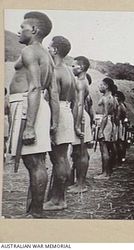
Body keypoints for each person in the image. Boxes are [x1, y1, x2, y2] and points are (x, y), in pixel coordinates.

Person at [8, 11, 59, 217]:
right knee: (36, 162)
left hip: (28, 107)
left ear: (34, 30)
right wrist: (53, 122)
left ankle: (36, 213)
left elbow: (35, 88)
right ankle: (33, 210)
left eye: (23, 27)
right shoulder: (47, 56)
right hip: (36, 107)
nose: (19, 31)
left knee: (35, 162)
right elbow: (53, 92)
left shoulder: (30, 51)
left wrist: (29, 125)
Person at [43, 36, 75, 210]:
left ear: (54, 50)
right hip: (66, 111)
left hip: (58, 113)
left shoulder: (55, 70)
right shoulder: (69, 71)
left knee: (58, 159)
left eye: (49, 47)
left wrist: (52, 122)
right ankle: (59, 197)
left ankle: (58, 200)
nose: (47, 50)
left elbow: (52, 97)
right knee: (62, 158)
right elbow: (75, 99)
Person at [68, 56, 93, 193]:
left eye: (74, 66)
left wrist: (77, 125)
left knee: (82, 151)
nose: (72, 68)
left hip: (80, 116)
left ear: (81, 67)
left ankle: (81, 184)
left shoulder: (81, 82)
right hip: (78, 115)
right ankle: (78, 182)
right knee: (77, 152)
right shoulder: (80, 81)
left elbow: (79, 104)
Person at [95, 77, 118, 179]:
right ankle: (106, 172)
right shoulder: (111, 98)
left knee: (104, 149)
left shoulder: (107, 98)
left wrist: (101, 130)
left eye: (101, 85)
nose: (100, 87)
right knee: (106, 149)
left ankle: (105, 173)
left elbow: (105, 115)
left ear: (106, 86)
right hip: (107, 123)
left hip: (105, 123)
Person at [115, 90, 128, 164]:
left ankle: (121, 157)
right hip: (115, 124)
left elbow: (125, 116)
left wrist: (124, 123)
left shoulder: (122, 105)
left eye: (117, 96)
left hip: (120, 125)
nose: (116, 97)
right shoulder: (115, 104)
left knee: (121, 142)